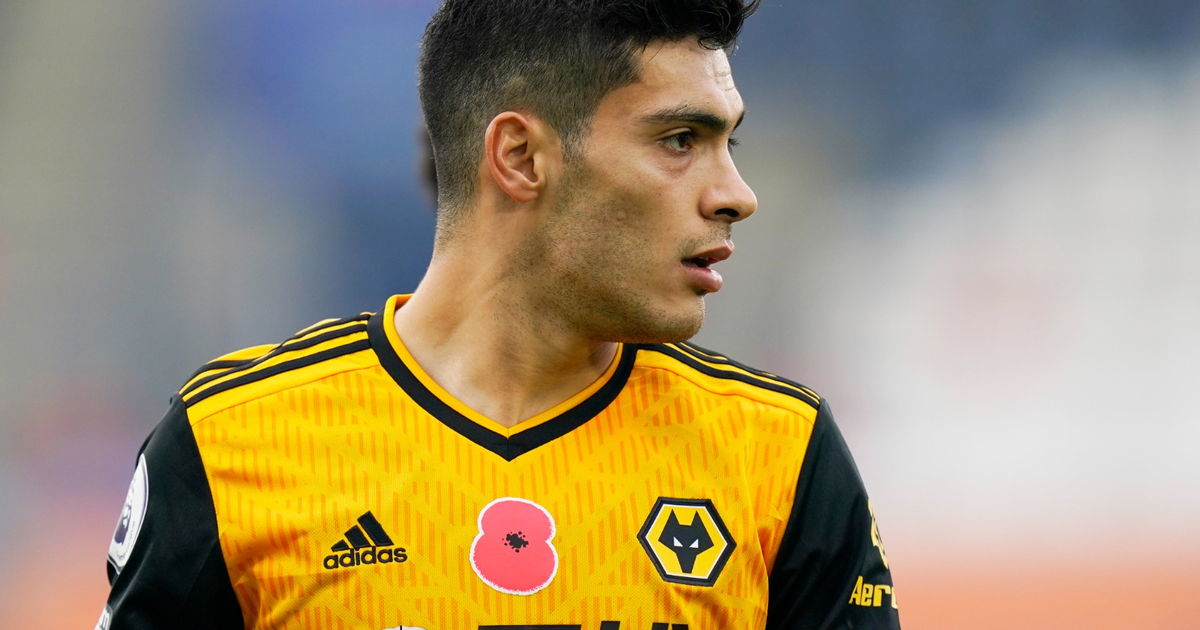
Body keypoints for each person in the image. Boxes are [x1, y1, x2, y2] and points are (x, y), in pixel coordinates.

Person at [97, 1, 901, 628]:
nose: (736, 194)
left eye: (729, 144)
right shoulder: (232, 443)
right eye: (681, 140)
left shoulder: (780, 456)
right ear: (520, 157)